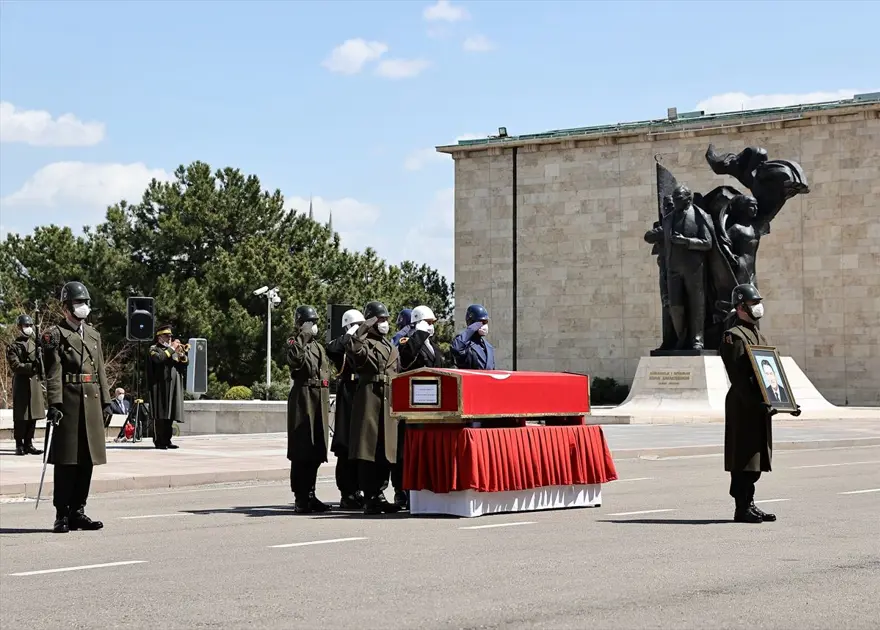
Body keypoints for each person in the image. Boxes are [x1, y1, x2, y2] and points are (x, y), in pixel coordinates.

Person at [720, 283, 800, 524]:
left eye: (758, 303)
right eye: (753, 304)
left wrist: (786, 402)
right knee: (744, 457)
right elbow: (739, 378)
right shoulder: (733, 336)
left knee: (756, 457)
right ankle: (741, 507)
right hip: (744, 405)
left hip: (759, 405)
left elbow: (770, 374)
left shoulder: (756, 334)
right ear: (741, 306)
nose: (758, 307)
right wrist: (758, 403)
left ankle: (750, 504)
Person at [42, 281, 111, 533]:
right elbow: (52, 372)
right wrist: (55, 403)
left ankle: (78, 511)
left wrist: (106, 400)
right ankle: (61, 513)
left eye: (85, 303)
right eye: (77, 303)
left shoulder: (93, 334)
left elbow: (100, 370)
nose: (83, 308)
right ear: (66, 308)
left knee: (87, 460)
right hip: (69, 402)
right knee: (67, 460)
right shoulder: (55, 335)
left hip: (91, 401)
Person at [343, 300, 402, 515]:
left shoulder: (389, 345)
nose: (385, 323)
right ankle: (370, 497)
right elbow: (354, 349)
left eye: (386, 319)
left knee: (385, 450)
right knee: (369, 451)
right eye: (381, 319)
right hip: (370, 398)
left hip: (388, 399)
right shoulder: (364, 341)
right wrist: (363, 327)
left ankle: (380, 493)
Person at [393, 304, 444, 509]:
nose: (432, 326)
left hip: (433, 405)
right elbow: (406, 358)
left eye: (432, 323)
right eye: (428, 323)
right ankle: (402, 491)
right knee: (406, 451)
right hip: (413, 403)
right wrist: (419, 332)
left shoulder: (433, 345)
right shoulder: (408, 341)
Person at [285, 305, 332, 513]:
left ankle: (311, 494)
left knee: (315, 449)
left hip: (318, 398)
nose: (314, 326)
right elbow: (295, 360)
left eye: (315, 322)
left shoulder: (318, 347)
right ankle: (301, 497)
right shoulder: (295, 343)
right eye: (309, 322)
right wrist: (303, 335)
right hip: (302, 398)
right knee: (301, 449)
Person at [661, 184, 713, 350]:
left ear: (689, 199)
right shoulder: (668, 219)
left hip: (694, 269)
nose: (675, 202)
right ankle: (681, 337)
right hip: (673, 269)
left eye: (679, 199)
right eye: (674, 199)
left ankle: (697, 339)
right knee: (675, 306)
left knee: (696, 304)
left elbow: (708, 243)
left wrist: (687, 241)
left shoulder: (699, 216)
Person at [325, 308, 366, 509]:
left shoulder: (365, 342)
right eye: (356, 326)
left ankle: (362, 489)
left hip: (363, 392)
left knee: (362, 445)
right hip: (348, 394)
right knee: (346, 446)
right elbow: (332, 350)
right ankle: (347, 492)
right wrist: (348, 334)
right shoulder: (341, 343)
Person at [6, 314, 45, 456]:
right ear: (19, 327)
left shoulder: (35, 345)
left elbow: (43, 364)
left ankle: (29, 443)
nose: (28, 328)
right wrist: (31, 367)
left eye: (30, 326)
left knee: (33, 415)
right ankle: (19, 444)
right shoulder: (14, 346)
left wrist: (42, 352)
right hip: (22, 383)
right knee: (21, 416)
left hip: (34, 383)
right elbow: (15, 365)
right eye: (25, 326)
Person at [147, 324, 188, 450]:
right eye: (166, 336)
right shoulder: (154, 349)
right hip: (159, 387)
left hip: (173, 386)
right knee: (160, 415)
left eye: (170, 336)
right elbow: (159, 359)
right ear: (159, 337)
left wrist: (182, 355)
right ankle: (159, 441)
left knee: (170, 414)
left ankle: (167, 440)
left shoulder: (173, 350)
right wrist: (172, 348)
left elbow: (184, 365)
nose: (169, 338)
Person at [451, 304, 495, 370]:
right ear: (473, 323)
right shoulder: (465, 344)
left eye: (486, 322)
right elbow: (456, 349)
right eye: (481, 322)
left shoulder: (489, 347)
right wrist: (471, 329)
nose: (484, 325)